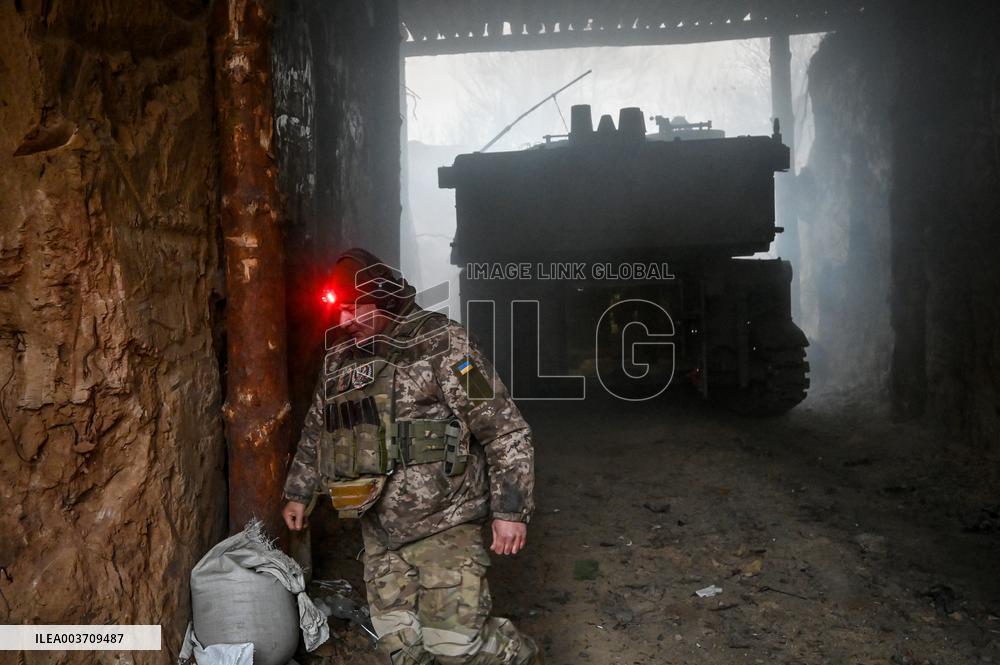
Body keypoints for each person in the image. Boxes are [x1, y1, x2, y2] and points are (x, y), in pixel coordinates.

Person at [281, 249, 541, 665]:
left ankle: (516, 653)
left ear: (383, 300)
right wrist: (299, 490)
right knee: (402, 652)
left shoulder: (443, 343)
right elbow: (318, 428)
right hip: (380, 532)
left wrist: (511, 509)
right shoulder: (339, 360)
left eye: (354, 310)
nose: (345, 323)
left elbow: (503, 426)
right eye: (339, 312)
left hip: (446, 524)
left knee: (454, 650)